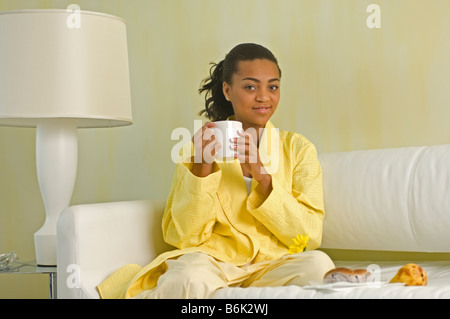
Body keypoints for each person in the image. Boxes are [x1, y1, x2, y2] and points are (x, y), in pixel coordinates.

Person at [97, 43, 335, 299]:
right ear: (227, 90)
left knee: (319, 266)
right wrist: (202, 167)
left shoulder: (297, 149)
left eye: (273, 87)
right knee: (188, 278)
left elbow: (309, 236)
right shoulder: (201, 148)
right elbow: (184, 237)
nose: (264, 97)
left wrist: (263, 178)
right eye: (250, 86)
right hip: (214, 262)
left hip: (271, 265)